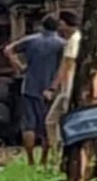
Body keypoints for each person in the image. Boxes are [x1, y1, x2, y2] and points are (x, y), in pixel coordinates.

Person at [4, 15, 65, 167]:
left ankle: (30, 160)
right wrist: (54, 86)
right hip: (50, 90)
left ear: (41, 26)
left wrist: (18, 65)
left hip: (29, 87)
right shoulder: (62, 44)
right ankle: (44, 159)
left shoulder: (31, 40)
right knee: (47, 125)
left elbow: (8, 50)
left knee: (28, 125)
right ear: (57, 27)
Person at [44, 11, 81, 153]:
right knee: (51, 121)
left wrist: (57, 88)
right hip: (67, 87)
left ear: (66, 24)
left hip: (69, 87)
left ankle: (61, 151)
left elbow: (67, 65)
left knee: (59, 120)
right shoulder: (74, 39)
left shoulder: (74, 40)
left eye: (60, 24)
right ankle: (57, 152)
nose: (59, 28)